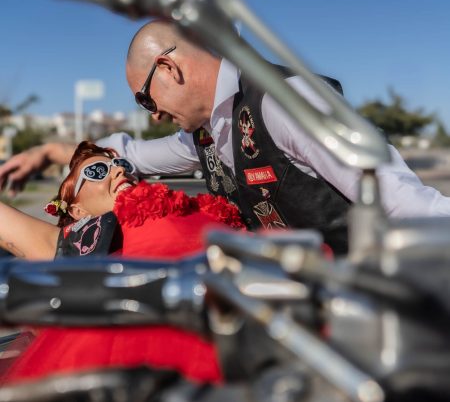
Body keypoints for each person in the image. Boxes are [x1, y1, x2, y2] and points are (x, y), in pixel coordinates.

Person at [1, 20, 450, 255]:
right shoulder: (202, 134)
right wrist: (49, 152)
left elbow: (402, 200)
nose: (153, 115)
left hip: (369, 304)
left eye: (145, 100)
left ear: (169, 68)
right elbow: (130, 155)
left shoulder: (283, 101)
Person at [0, 141, 244, 386]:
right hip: (153, 375)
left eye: (122, 165)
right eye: (97, 172)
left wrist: (49, 151)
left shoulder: (193, 206)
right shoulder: (77, 243)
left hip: (245, 335)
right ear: (77, 210)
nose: (119, 171)